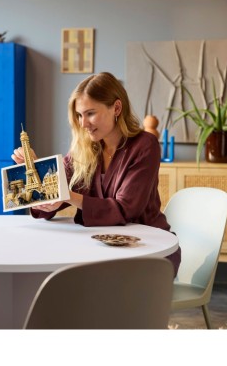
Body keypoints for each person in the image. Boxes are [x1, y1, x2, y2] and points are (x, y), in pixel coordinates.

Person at [11, 72, 181, 276]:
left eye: (90, 113)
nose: (83, 123)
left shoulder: (145, 145)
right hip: (102, 249)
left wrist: (68, 196)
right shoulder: (83, 149)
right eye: (79, 115)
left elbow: (126, 210)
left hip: (149, 250)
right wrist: (35, 168)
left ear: (116, 108)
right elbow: (52, 195)